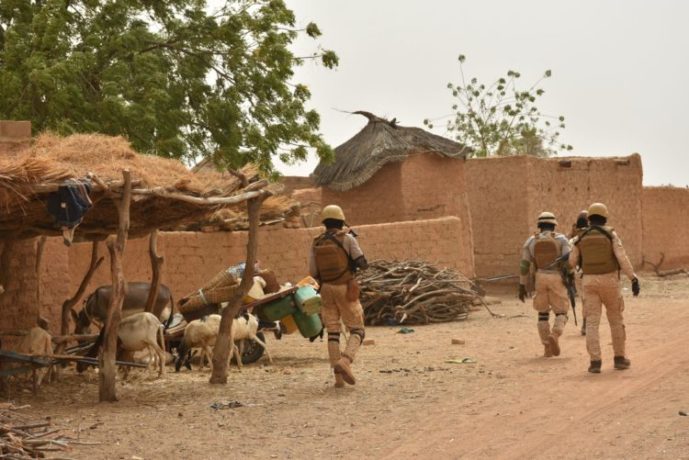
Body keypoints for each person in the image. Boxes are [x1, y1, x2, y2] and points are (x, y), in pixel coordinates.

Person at [569, 202, 640, 373]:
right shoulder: (611, 235)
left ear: (590, 218)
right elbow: (622, 258)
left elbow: (571, 263)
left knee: (592, 323)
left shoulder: (580, 237)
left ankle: (595, 362)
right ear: (605, 217)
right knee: (615, 320)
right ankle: (619, 359)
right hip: (610, 282)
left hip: (589, 282)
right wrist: (633, 278)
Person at [309, 205, 368, 387]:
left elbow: (312, 271)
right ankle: (345, 361)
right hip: (345, 287)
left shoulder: (316, 242)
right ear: (341, 221)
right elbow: (363, 263)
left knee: (333, 332)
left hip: (326, 289)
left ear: (325, 223)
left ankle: (338, 380)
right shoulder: (347, 238)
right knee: (357, 329)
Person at [519, 211, 571, 357]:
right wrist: (570, 279)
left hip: (539, 277)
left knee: (542, 313)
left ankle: (547, 347)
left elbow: (524, 265)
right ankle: (555, 334)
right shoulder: (561, 239)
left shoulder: (531, 241)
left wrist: (522, 285)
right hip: (556, 277)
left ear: (539, 226)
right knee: (562, 312)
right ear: (554, 226)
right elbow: (568, 263)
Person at [569, 210, 589, 336]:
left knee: (585, 300)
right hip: (597, 273)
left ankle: (586, 324)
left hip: (580, 273)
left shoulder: (574, 240)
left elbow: (571, 262)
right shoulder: (600, 236)